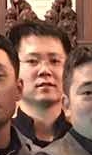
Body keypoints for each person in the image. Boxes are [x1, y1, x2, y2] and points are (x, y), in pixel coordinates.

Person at [11, 19, 71, 147]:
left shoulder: (85, 141)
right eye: (32, 61)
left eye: (54, 61)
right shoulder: (2, 140)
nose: (45, 70)